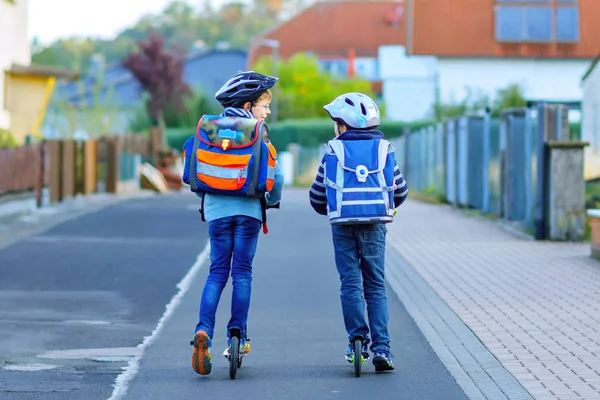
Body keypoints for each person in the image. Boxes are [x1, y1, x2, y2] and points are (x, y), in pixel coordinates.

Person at [184, 71, 284, 376]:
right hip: (249, 214)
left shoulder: (208, 130)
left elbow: (191, 170)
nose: (266, 111)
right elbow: (275, 179)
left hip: (216, 212)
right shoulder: (257, 133)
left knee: (217, 272)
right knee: (242, 272)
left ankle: (203, 331)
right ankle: (237, 335)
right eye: (263, 105)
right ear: (248, 104)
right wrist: (271, 200)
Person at [308, 92, 408, 372]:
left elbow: (317, 196)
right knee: (375, 284)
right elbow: (399, 190)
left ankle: (357, 341)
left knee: (350, 284)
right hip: (375, 224)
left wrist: (333, 208)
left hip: (342, 225)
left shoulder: (333, 151)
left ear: (342, 125)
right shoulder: (384, 149)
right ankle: (383, 349)